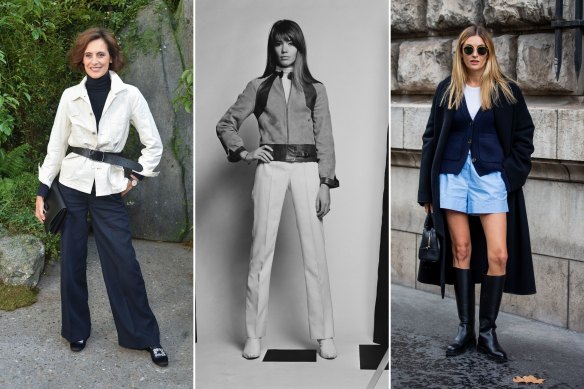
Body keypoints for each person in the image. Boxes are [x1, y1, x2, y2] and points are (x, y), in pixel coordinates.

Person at [34, 27, 168, 367]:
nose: (95, 61)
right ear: (82, 58)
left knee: (124, 263)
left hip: (109, 188)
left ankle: (145, 336)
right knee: (73, 261)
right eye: (89, 55)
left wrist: (136, 175)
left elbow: (154, 143)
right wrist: (43, 188)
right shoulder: (70, 96)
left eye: (101, 54)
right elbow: (56, 146)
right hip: (72, 186)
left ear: (112, 57)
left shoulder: (130, 95)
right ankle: (76, 330)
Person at [216, 19, 339, 360]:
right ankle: (254, 335)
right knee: (260, 252)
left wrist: (325, 182)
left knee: (315, 254)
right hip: (270, 169)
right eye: (278, 43)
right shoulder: (258, 86)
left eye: (291, 43)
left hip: (308, 169)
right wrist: (245, 152)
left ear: (300, 47)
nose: (285, 50)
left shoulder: (316, 88)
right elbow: (226, 123)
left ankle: (325, 334)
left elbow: (325, 138)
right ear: (272, 48)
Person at [417, 25, 536, 362]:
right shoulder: (446, 90)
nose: (474, 55)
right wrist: (426, 189)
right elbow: (430, 140)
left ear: (489, 53)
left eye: (480, 50)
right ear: (460, 53)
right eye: (468, 49)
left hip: (490, 179)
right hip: (451, 178)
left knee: (499, 255)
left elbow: (524, 136)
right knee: (461, 249)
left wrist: (510, 175)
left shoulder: (506, 91)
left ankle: (487, 332)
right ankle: (465, 328)